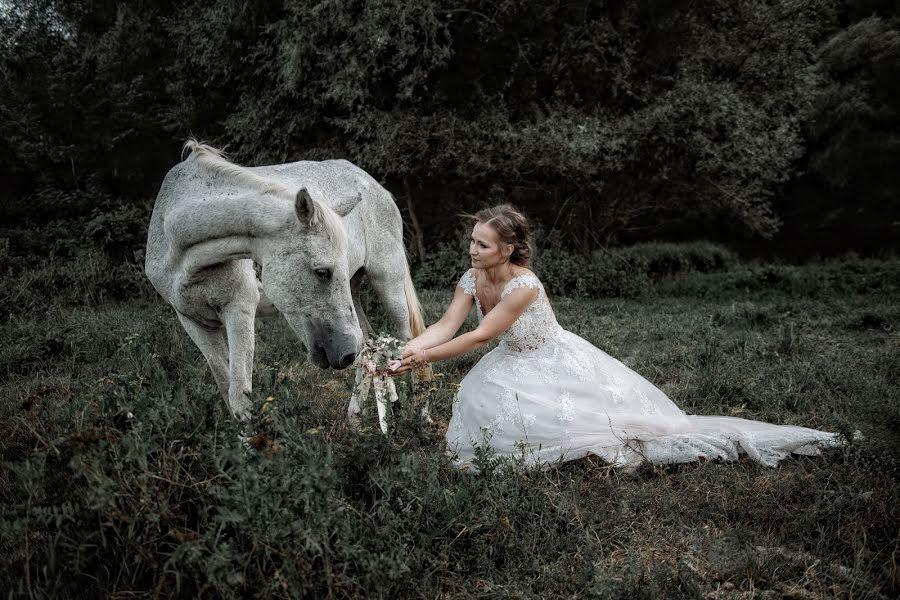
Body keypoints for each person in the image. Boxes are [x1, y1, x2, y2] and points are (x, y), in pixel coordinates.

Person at [389, 204, 845, 471]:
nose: (472, 250)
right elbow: (448, 326)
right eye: (471, 241)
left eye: (482, 245)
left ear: (507, 250)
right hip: (511, 360)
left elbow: (479, 337)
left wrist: (423, 360)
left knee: (609, 431)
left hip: (552, 359)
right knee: (486, 409)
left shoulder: (523, 286)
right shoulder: (471, 277)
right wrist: (413, 347)